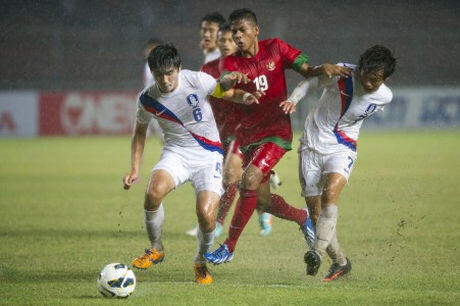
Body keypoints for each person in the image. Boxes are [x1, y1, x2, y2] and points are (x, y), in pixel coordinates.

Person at [205, 8, 350, 265]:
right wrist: (232, 81)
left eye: (242, 30)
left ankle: (228, 247)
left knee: (247, 179)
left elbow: (306, 70)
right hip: (248, 135)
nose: (238, 36)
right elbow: (225, 84)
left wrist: (321, 69)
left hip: (276, 132)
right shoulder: (231, 62)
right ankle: (302, 217)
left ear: (256, 31)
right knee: (262, 201)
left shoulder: (275, 48)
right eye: (234, 32)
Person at [123, 44, 259, 284]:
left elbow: (225, 92)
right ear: (152, 73)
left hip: (208, 156)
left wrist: (245, 96)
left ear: (179, 68)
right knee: (153, 192)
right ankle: (156, 248)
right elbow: (139, 132)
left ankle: (200, 261)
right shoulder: (147, 99)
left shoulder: (196, 80)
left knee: (206, 215)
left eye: (169, 73)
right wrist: (135, 168)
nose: (164, 80)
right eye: (158, 75)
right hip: (176, 153)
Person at [282, 45, 396, 281]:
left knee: (330, 193)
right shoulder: (342, 73)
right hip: (311, 145)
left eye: (376, 79)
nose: (369, 82)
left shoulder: (385, 96)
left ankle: (316, 252)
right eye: (366, 75)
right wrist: (293, 99)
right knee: (315, 213)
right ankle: (341, 262)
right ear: (360, 68)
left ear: (385, 79)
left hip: (342, 147)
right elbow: (311, 83)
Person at [186, 21, 274, 237]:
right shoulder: (207, 69)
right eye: (222, 40)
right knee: (244, 184)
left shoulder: (248, 67)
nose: (226, 43)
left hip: (245, 130)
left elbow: (261, 95)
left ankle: (218, 223)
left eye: (230, 40)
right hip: (218, 131)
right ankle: (264, 208)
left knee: (229, 175)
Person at [142, 38, 163, 139]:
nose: (149, 51)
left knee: (164, 135)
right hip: (151, 101)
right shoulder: (148, 65)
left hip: (160, 101)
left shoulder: (162, 65)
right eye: (149, 49)